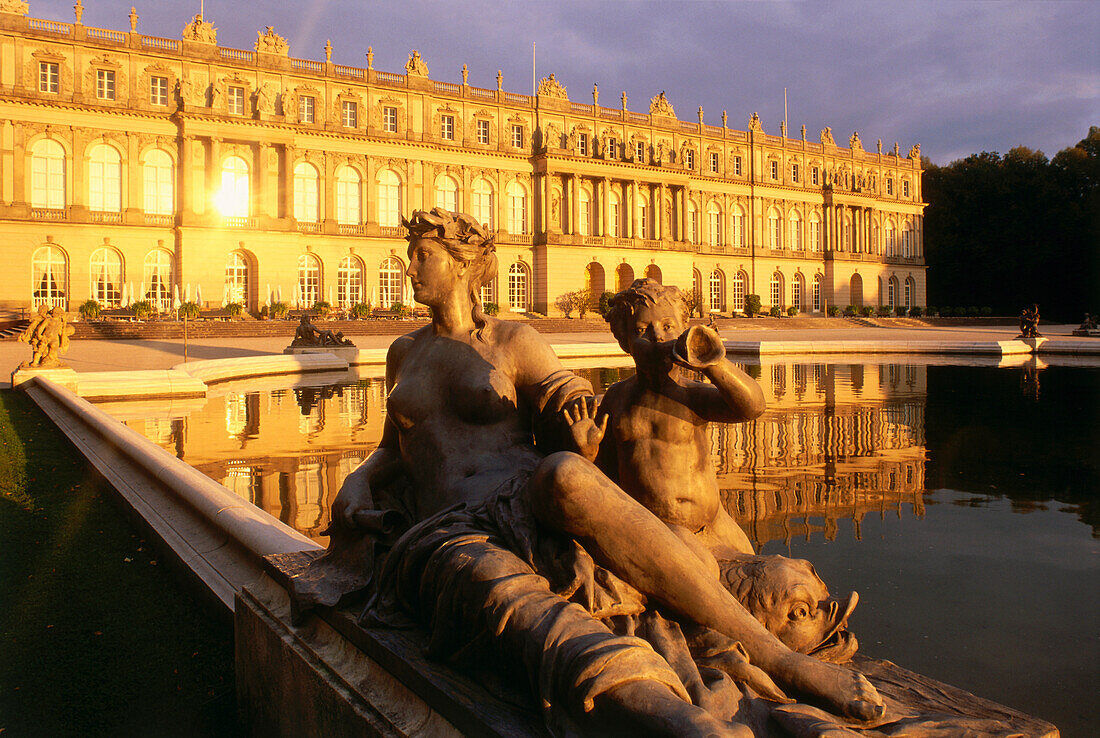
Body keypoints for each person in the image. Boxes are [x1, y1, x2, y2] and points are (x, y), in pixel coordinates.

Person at [329, 208, 882, 734]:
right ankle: (667, 716)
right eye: (411, 254)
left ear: (463, 262)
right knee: (505, 596)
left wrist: (580, 430)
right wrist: (359, 479)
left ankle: (781, 661)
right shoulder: (404, 352)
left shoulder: (511, 340)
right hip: (453, 523)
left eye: (422, 254)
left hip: (524, 490)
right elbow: (390, 449)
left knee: (568, 472)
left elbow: (567, 393)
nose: (409, 266)